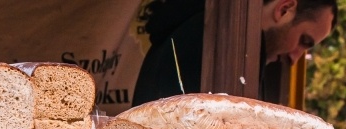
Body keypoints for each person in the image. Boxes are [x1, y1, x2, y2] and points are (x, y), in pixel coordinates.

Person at [132, 0, 338, 105]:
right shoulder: (222, 42)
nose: (295, 58)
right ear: (284, 9)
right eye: (304, 41)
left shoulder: (191, 29)